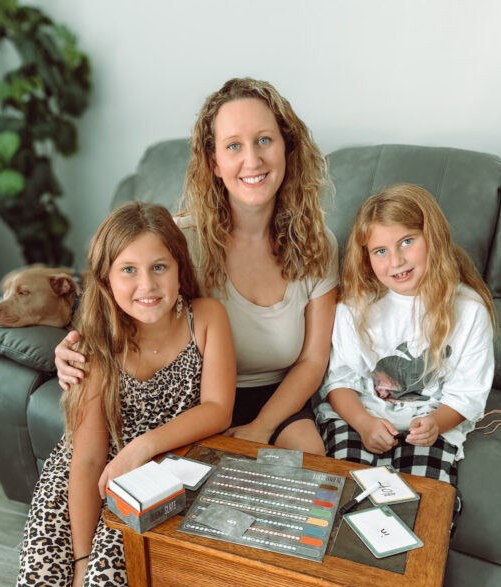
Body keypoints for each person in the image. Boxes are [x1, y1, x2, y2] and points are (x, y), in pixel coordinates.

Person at [0, 202, 235, 587]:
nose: (146, 285)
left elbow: (218, 411)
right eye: (127, 271)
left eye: (159, 268)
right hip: (84, 473)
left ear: (180, 270)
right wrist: (79, 558)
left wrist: (145, 449)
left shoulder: (206, 318)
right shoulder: (100, 343)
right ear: (105, 279)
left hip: (155, 479)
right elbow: (85, 461)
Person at [56, 78, 339, 455]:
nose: (252, 160)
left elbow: (313, 358)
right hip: (195, 397)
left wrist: (261, 427)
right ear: (214, 163)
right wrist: (75, 352)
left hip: (280, 398)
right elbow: (121, 301)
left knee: (309, 457)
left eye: (265, 140)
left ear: (287, 147)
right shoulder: (182, 242)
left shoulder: (317, 243)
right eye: (234, 146)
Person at [314, 183, 497, 587]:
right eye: (379, 250)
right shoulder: (357, 306)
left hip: (433, 428)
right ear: (365, 256)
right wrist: (363, 422)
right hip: (362, 420)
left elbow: (469, 393)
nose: (395, 259)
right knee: (351, 500)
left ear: (432, 238)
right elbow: (340, 381)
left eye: (406, 242)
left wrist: (437, 423)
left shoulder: (467, 311)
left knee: (425, 511)